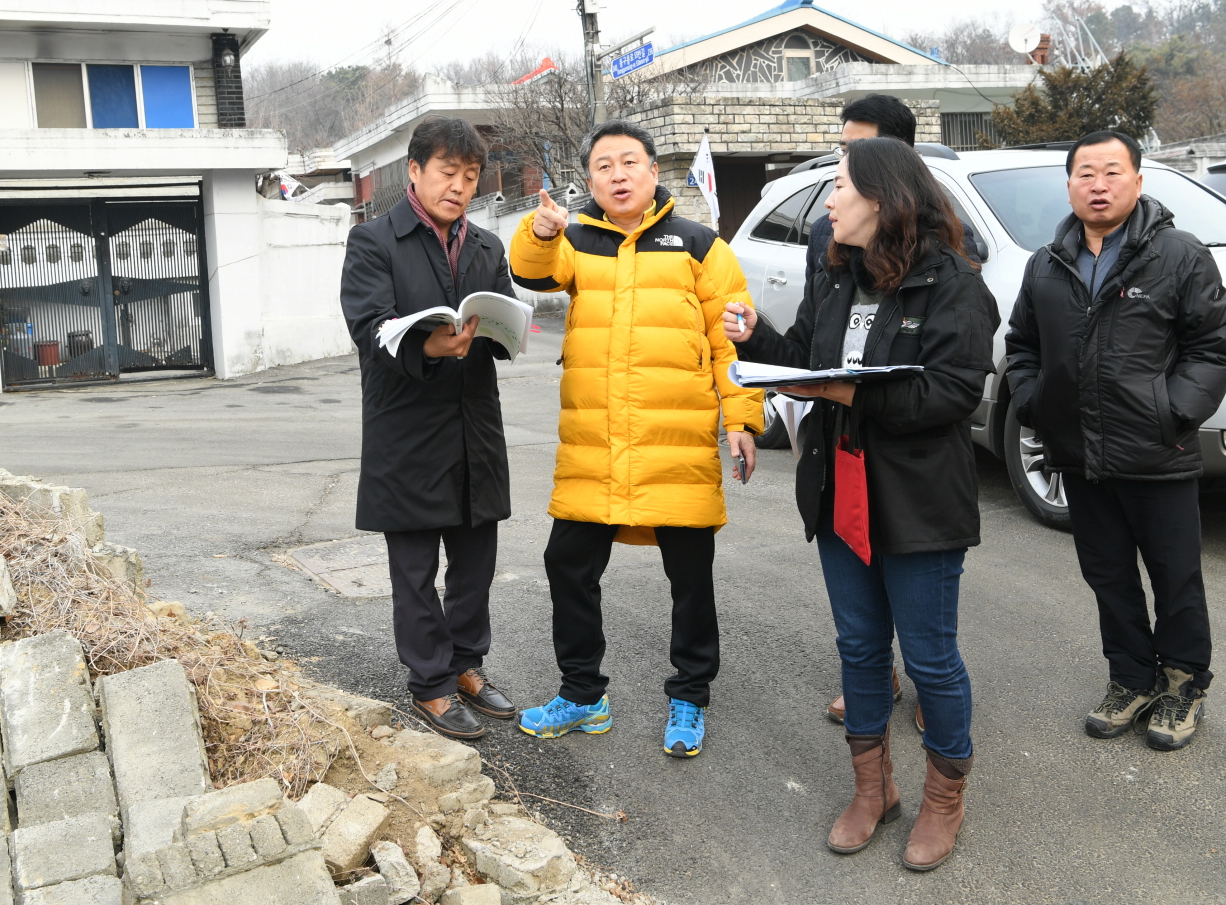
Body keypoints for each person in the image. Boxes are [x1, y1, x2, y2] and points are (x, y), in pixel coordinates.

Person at [724, 136, 999, 870]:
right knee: (858, 648)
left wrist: (845, 390)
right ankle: (872, 790)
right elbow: (810, 361)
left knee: (931, 659)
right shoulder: (836, 273)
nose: (831, 202)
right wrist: (759, 339)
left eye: (841, 187)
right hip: (838, 486)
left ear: (883, 198)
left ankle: (944, 797)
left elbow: (950, 394)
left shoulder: (954, 285)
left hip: (917, 498)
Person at [508, 119, 763, 758]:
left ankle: (690, 697)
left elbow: (728, 341)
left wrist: (741, 419)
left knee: (691, 578)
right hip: (596, 447)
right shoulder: (577, 241)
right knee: (567, 564)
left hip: (673, 445)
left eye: (629, 163)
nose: (617, 175)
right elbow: (531, 271)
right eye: (603, 166)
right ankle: (582, 695)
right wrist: (539, 232)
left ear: (654, 173)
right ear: (589, 179)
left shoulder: (702, 245)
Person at [1003, 130, 1226, 751]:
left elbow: (1215, 346)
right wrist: (1034, 404)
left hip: (1157, 455)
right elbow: (1022, 347)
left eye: (1112, 172)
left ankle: (1183, 684)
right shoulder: (1046, 265)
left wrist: (1173, 413)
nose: (1099, 185)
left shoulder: (1178, 255)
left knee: (1175, 577)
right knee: (1108, 576)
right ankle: (1131, 678)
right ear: (1070, 185)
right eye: (1086, 173)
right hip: (1079, 456)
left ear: (1138, 179)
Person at [340, 117, 518, 741]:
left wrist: (498, 333)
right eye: (448, 173)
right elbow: (369, 329)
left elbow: (500, 321)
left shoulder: (488, 248)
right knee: (414, 569)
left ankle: (467, 664)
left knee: (475, 562)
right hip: (406, 430)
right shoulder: (374, 242)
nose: (460, 187)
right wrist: (431, 347)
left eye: (471, 177)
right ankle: (432, 684)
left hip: (474, 427)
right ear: (415, 171)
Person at [805, 93, 921, 733]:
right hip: (840, 451)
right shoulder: (831, 235)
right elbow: (812, 333)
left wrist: (857, 394)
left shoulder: (941, 244)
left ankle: (927, 680)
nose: (836, 175)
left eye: (853, 155)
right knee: (857, 605)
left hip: (912, 461)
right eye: (841, 149)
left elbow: (949, 383)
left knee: (923, 607)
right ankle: (875, 684)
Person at [806, 94, 918, 279]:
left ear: (900, 155)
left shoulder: (940, 236)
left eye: (860, 151)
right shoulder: (824, 232)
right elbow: (814, 307)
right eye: (844, 151)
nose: (847, 161)